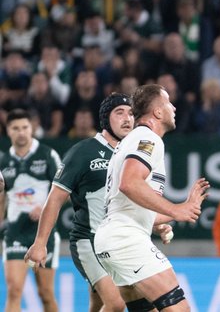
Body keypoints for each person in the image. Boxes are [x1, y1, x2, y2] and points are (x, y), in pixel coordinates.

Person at [94, 84, 209, 312]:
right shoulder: (148, 138)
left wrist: (169, 216)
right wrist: (176, 209)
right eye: (168, 102)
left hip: (114, 238)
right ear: (157, 112)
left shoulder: (132, 140)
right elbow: (129, 183)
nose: (173, 107)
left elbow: (132, 203)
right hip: (126, 239)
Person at [25, 94, 139, 312]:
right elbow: (55, 199)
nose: (127, 119)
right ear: (105, 119)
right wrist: (40, 243)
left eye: (131, 114)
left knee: (98, 304)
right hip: (88, 240)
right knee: (116, 303)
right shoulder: (83, 152)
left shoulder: (133, 153)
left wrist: (157, 224)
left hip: (119, 241)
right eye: (120, 113)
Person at [0, 109, 62, 312]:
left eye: (25, 127)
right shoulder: (3, 162)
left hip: (43, 234)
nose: (21, 132)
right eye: (15, 128)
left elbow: (65, 191)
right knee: (14, 290)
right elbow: (2, 197)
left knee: (45, 293)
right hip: (15, 233)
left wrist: (44, 208)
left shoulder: (47, 155)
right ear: (8, 131)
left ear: (32, 128)